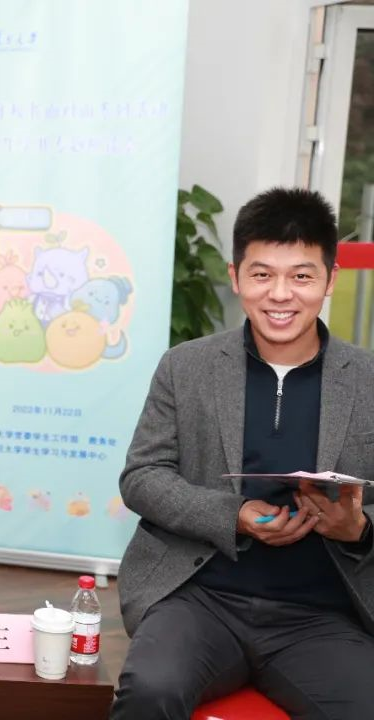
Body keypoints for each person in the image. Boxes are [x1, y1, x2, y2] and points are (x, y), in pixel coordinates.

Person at [111, 188, 374, 720]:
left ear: (330, 279)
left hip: (321, 615)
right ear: (236, 277)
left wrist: (359, 528)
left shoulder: (367, 380)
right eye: (262, 274)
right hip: (199, 599)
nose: (280, 294)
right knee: (151, 691)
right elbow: (142, 475)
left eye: (301, 276)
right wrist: (232, 515)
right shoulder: (186, 366)